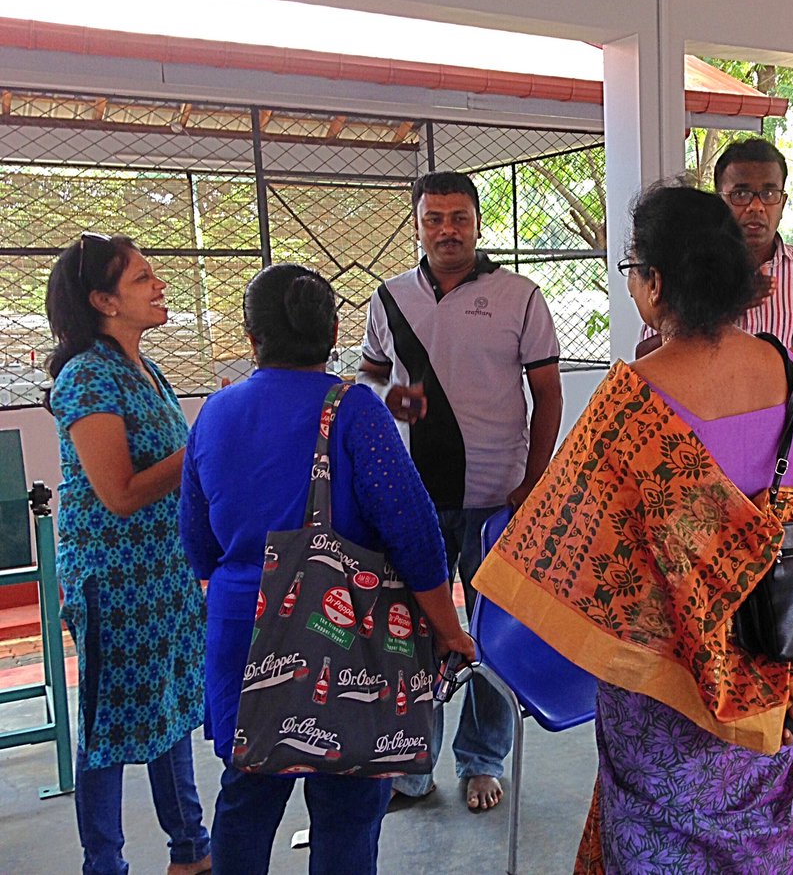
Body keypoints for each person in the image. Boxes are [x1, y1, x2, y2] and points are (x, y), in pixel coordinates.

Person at [474, 184, 793, 871]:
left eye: (633, 269)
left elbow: (569, 551)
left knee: (655, 837)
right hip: (767, 665)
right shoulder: (790, 373)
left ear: (655, 283)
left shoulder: (630, 400)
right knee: (759, 836)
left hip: (662, 682)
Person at [180, 264, 474, 873]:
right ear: (335, 331)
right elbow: (416, 535)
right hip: (346, 643)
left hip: (244, 634)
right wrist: (449, 630)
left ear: (251, 337)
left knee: (246, 797)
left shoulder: (215, 413)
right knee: (345, 804)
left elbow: (198, 544)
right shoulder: (354, 412)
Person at [357, 170, 563, 812]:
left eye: (459, 218)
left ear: (478, 223)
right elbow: (368, 389)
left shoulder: (521, 296)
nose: (447, 230)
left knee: (491, 634)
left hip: (498, 500)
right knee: (412, 634)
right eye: (434, 219)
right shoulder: (389, 299)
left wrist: (532, 483)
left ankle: (482, 760)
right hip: (411, 502)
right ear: (417, 225)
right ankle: (412, 765)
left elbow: (548, 394)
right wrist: (398, 399)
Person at [45, 233, 211, 875]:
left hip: (162, 573)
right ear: (103, 300)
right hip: (114, 579)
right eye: (143, 278)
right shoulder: (88, 374)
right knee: (110, 727)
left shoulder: (145, 366)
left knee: (169, 708)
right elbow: (118, 493)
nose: (158, 285)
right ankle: (105, 864)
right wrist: (204, 445)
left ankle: (190, 848)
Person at [636, 138, 793, 386]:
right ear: (718, 201)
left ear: (783, 202)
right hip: (710, 420)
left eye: (769, 193)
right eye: (740, 194)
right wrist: (723, 307)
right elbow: (645, 357)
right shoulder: (686, 267)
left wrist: (789, 357)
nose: (756, 207)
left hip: (788, 423)